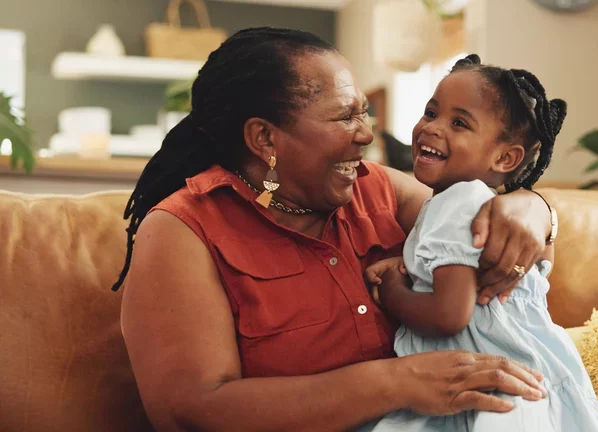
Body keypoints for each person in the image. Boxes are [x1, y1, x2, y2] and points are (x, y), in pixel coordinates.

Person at [115, 28, 556, 432]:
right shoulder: (183, 231)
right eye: (346, 117)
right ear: (265, 139)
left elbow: (491, 229)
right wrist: (394, 382)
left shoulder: (378, 188)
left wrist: (535, 209)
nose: (367, 135)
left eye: (364, 113)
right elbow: (190, 411)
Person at [363, 55, 598, 432]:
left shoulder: (457, 202)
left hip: (488, 384)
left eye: (459, 123)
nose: (431, 128)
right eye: (431, 113)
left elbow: (449, 315)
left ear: (505, 157)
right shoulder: (473, 205)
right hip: (535, 373)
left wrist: (394, 291)